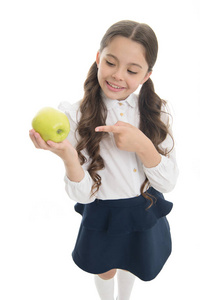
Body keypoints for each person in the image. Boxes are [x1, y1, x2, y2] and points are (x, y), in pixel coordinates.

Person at [29, 20, 179, 300]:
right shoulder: (73, 116)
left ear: (146, 75)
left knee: (133, 262)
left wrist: (144, 146)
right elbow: (84, 196)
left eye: (132, 70)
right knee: (105, 268)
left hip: (144, 207)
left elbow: (169, 182)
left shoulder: (158, 112)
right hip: (105, 213)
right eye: (110, 63)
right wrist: (69, 157)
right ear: (98, 58)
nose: (118, 76)